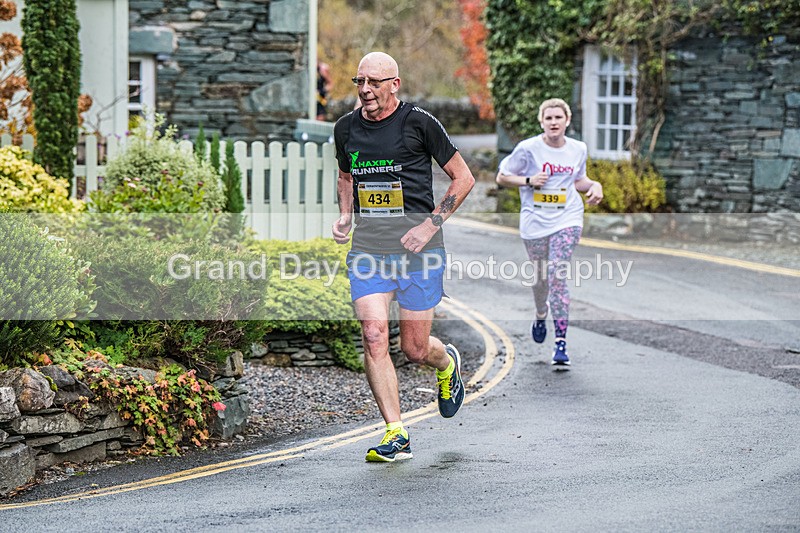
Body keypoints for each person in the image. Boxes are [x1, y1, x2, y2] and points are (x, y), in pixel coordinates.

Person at [332, 52, 475, 462]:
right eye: (360, 81)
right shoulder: (345, 128)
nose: (365, 90)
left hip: (419, 253)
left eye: (374, 82)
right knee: (374, 334)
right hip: (369, 250)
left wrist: (430, 225)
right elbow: (346, 176)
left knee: (414, 349)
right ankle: (396, 433)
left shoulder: (419, 123)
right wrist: (345, 215)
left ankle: (446, 364)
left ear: (394, 84)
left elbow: (463, 178)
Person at [495, 98, 603, 367]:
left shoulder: (578, 149)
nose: (554, 122)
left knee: (557, 275)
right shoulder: (528, 149)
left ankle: (560, 342)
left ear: (567, 120)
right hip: (535, 222)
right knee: (541, 279)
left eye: (558, 117)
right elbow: (502, 177)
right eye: (549, 118)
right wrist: (529, 180)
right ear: (541, 122)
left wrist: (595, 186)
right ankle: (540, 312)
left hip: (567, 218)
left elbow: (578, 180)